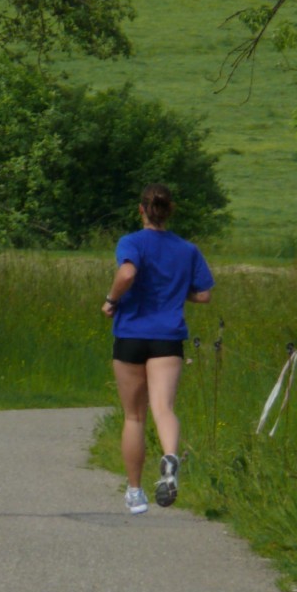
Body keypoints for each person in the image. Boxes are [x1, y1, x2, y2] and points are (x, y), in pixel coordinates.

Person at [102, 183, 213, 515]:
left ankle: (135, 492)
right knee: (163, 408)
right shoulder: (187, 249)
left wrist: (111, 300)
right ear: (169, 211)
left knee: (134, 416)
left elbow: (127, 272)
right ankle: (169, 457)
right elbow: (204, 294)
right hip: (168, 338)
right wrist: (178, 291)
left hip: (132, 335)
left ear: (141, 210)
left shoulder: (132, 242)